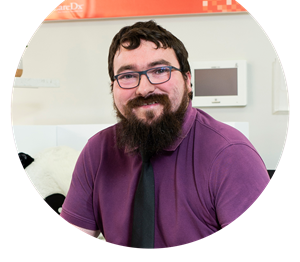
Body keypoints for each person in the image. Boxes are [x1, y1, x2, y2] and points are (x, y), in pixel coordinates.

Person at [60, 20, 270, 248]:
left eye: (160, 71)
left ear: (188, 81)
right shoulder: (97, 152)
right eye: (127, 76)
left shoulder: (230, 155)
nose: (144, 89)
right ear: (113, 88)